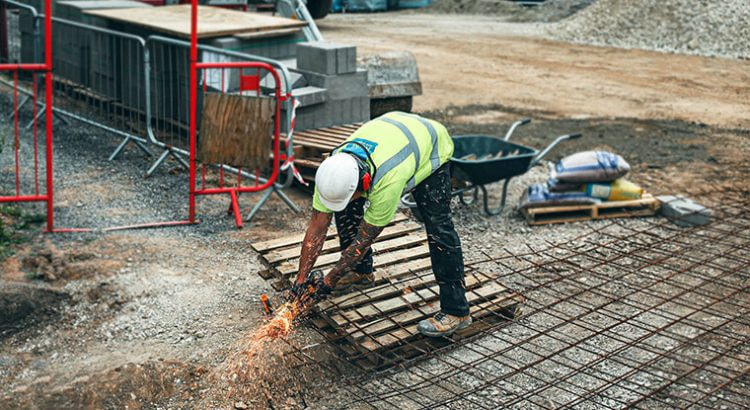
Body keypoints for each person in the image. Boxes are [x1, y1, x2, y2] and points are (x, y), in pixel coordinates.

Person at [290, 111, 470, 337]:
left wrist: (329, 280)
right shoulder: (333, 170)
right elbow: (317, 226)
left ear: (365, 183)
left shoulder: (388, 181)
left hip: (431, 144)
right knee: (345, 209)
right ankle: (361, 272)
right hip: (393, 131)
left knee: (439, 228)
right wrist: (301, 279)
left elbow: (363, 240)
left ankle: (457, 310)